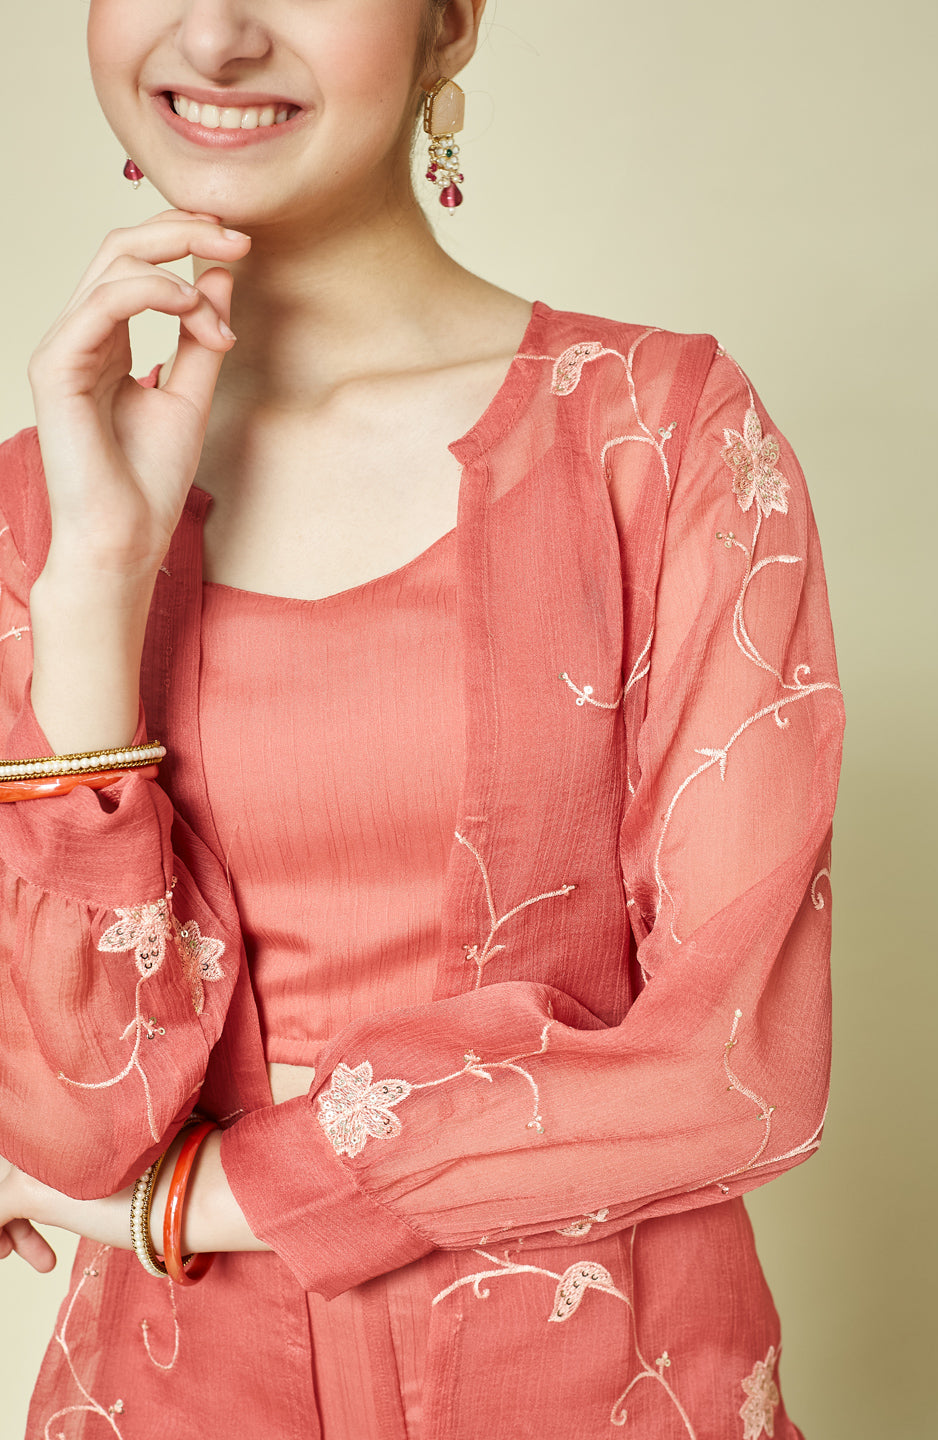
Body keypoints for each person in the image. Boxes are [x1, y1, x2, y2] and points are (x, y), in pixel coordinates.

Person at [0, 2, 845, 1436]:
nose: (213, 35)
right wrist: (94, 587)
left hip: (600, 1392)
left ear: (448, 22)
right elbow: (68, 1123)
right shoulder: (43, 504)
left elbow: (736, 1062)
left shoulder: (660, 436)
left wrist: (209, 1192)